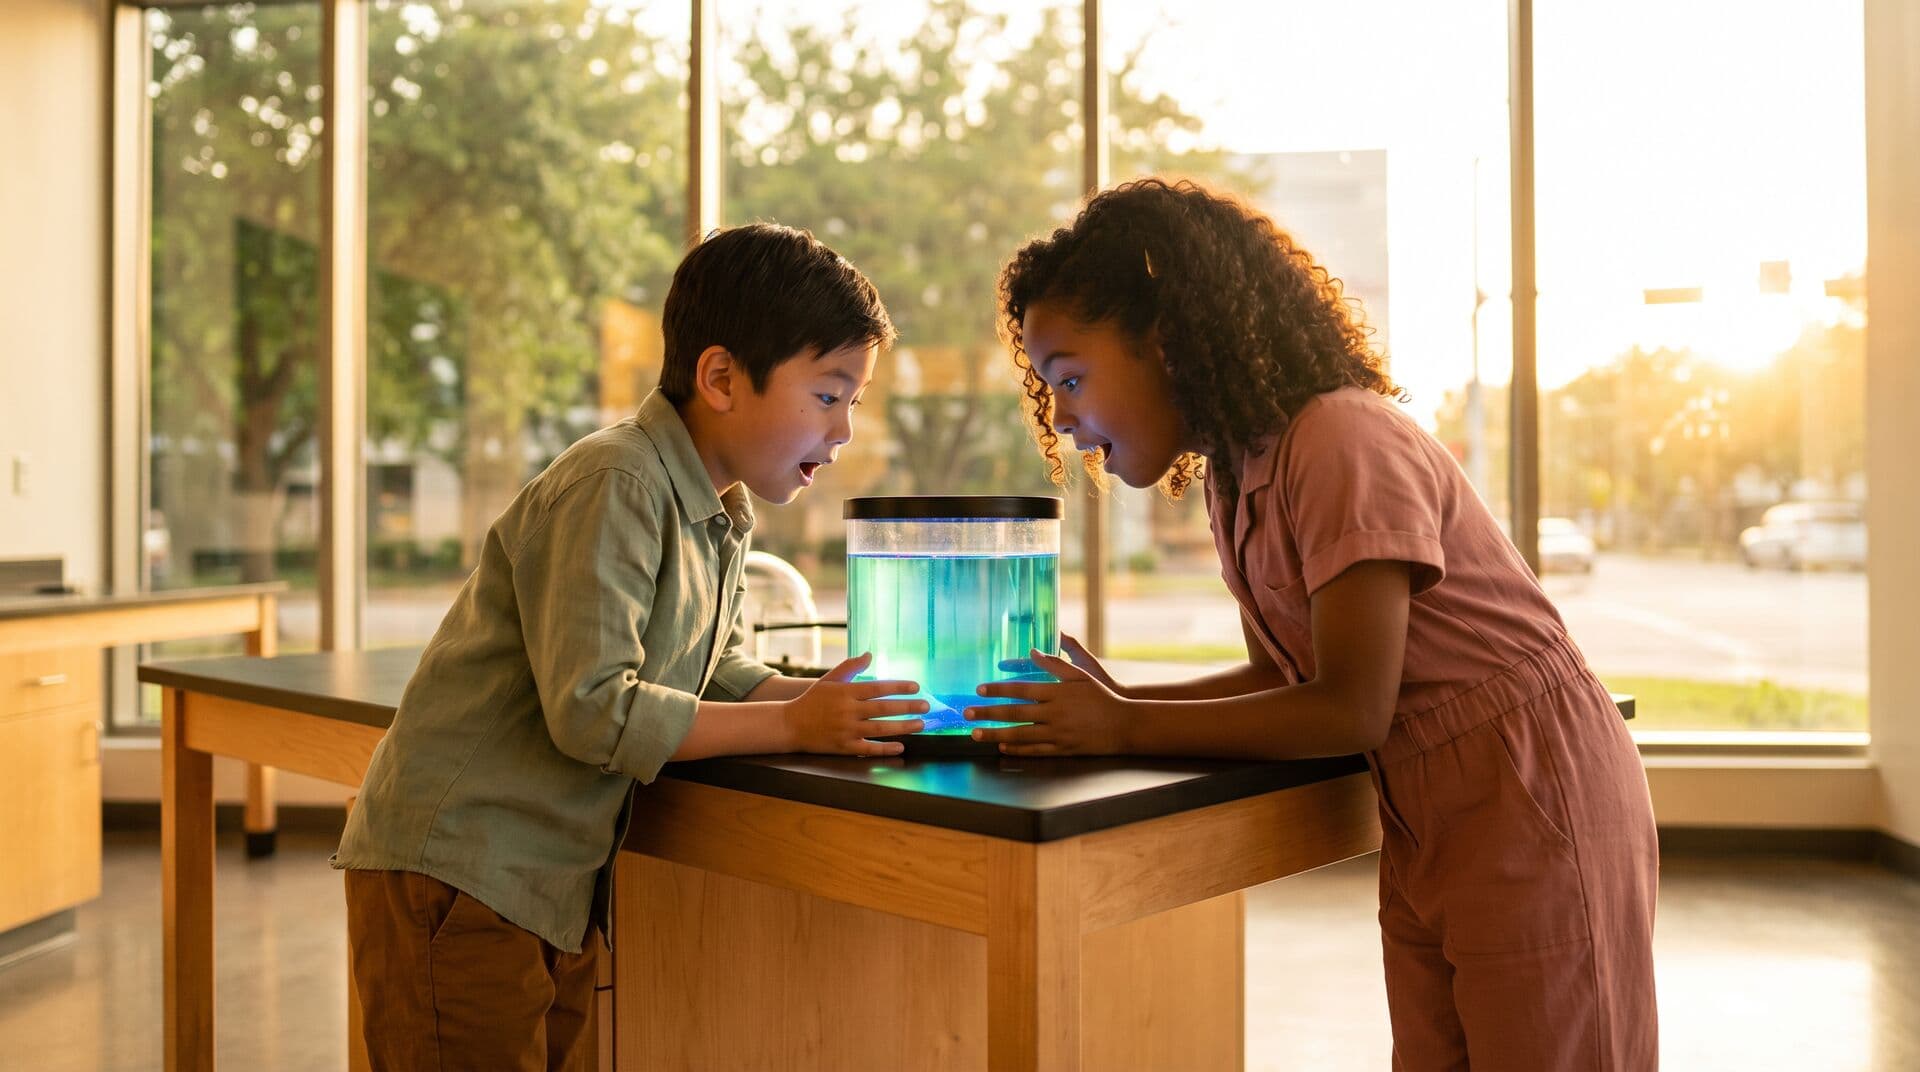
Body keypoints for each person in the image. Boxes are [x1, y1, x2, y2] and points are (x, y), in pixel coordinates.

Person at [976, 178, 1658, 1070]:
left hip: (1531, 794)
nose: (1060, 416)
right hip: (1428, 816)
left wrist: (1124, 721)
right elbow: (1282, 678)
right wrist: (1118, 694)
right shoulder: (1235, 473)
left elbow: (1349, 708)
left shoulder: (1341, 438)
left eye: (1071, 377)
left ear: (1166, 342)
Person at [332, 223, 929, 1071]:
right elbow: (595, 709)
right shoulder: (618, 482)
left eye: (854, 404)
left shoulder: (717, 509)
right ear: (721, 377)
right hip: (461, 871)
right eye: (829, 396)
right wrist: (796, 727)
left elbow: (711, 668)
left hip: (544, 890)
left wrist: (818, 695)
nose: (843, 433)